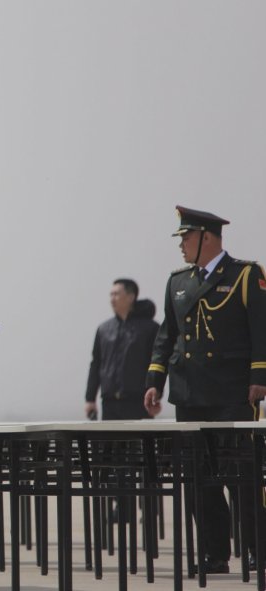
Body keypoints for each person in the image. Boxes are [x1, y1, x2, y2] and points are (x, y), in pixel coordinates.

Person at [144, 205, 266, 574]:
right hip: (190, 393)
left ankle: (256, 548)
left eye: (187, 237)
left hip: (232, 394)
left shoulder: (246, 275)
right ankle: (215, 553)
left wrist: (258, 377)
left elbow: (260, 329)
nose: (181, 245)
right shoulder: (178, 281)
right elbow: (168, 335)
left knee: (238, 474)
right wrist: (155, 380)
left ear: (207, 238)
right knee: (199, 478)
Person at [84, 278, 159, 420]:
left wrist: (156, 395)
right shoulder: (103, 329)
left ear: (131, 297)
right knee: (110, 442)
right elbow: (96, 364)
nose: (112, 299)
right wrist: (90, 399)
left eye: (116, 294)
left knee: (140, 441)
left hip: (138, 402)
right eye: (111, 295)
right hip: (109, 402)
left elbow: (156, 364)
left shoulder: (150, 328)